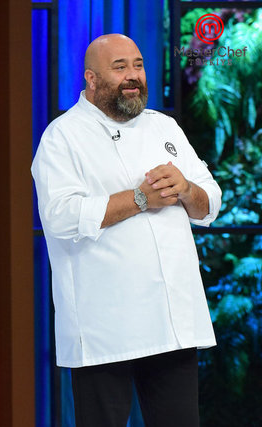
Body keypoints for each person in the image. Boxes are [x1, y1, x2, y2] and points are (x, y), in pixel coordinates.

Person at [31, 34, 222, 427]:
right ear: (91, 79)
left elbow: (210, 204)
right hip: (104, 329)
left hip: (173, 323)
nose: (133, 76)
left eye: (138, 65)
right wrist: (140, 199)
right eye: (119, 68)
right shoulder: (62, 136)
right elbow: (60, 216)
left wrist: (186, 189)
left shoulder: (164, 126)